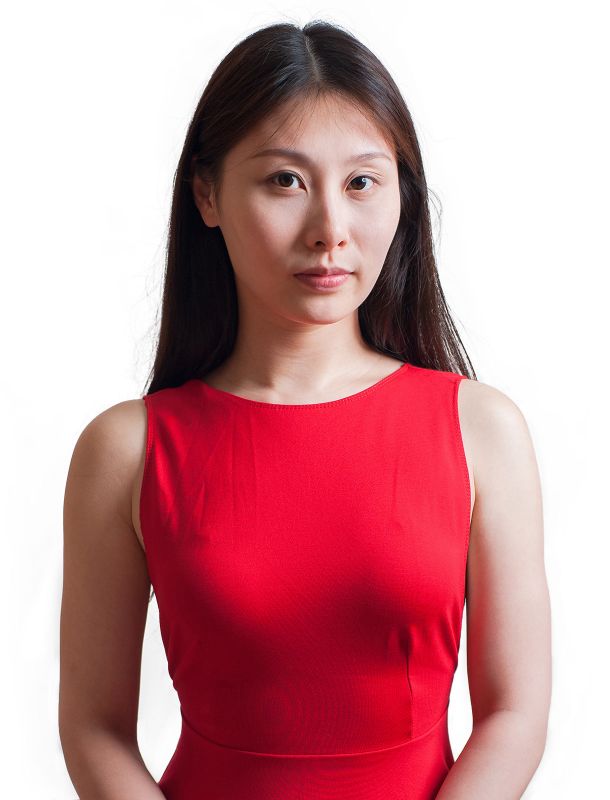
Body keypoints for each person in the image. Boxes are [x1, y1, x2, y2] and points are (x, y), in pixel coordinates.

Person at [58, 19, 551, 800]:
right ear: (207, 194)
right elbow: (94, 726)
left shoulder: (481, 430)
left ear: (401, 194)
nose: (330, 232)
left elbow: (516, 713)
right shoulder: (128, 450)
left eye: (362, 183)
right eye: (285, 181)